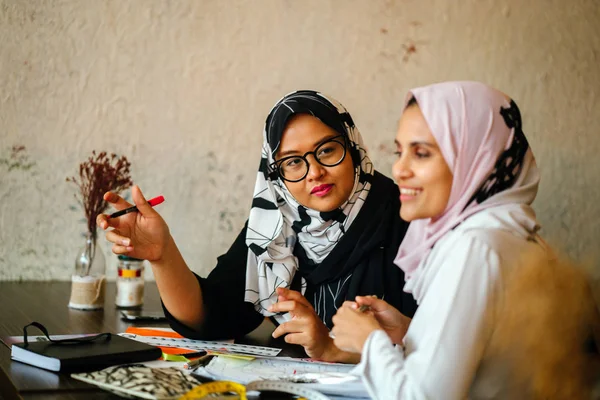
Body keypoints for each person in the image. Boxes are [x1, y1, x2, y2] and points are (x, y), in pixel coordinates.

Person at [97, 90, 418, 363]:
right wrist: (162, 254)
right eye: (293, 161)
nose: (314, 172)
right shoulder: (276, 224)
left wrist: (332, 346)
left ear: (351, 146)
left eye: (326, 150)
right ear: (275, 173)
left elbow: (438, 348)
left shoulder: (406, 216)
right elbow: (212, 316)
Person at [331, 81, 599, 397]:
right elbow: (496, 360)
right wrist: (409, 331)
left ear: (476, 157)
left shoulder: (476, 247)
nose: (399, 169)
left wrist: (369, 341)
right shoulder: (510, 236)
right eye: (399, 151)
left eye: (421, 153)